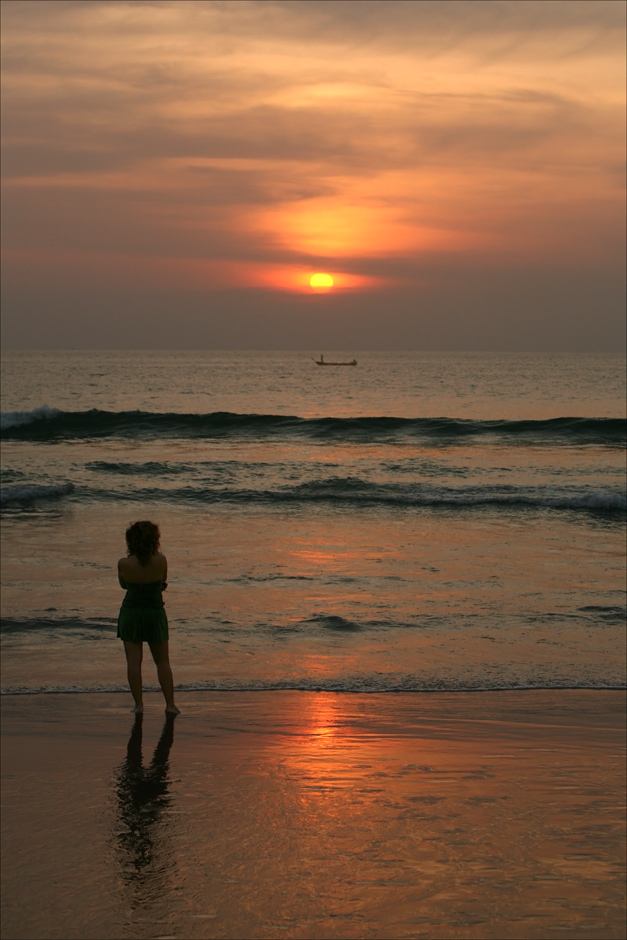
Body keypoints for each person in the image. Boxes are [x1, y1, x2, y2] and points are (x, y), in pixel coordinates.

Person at [117, 520, 179, 715]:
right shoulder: (161, 560)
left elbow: (124, 586)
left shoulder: (124, 563)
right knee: (162, 662)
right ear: (154, 539)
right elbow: (163, 581)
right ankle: (170, 704)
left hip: (131, 613)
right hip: (154, 612)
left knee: (134, 662)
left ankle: (138, 705)